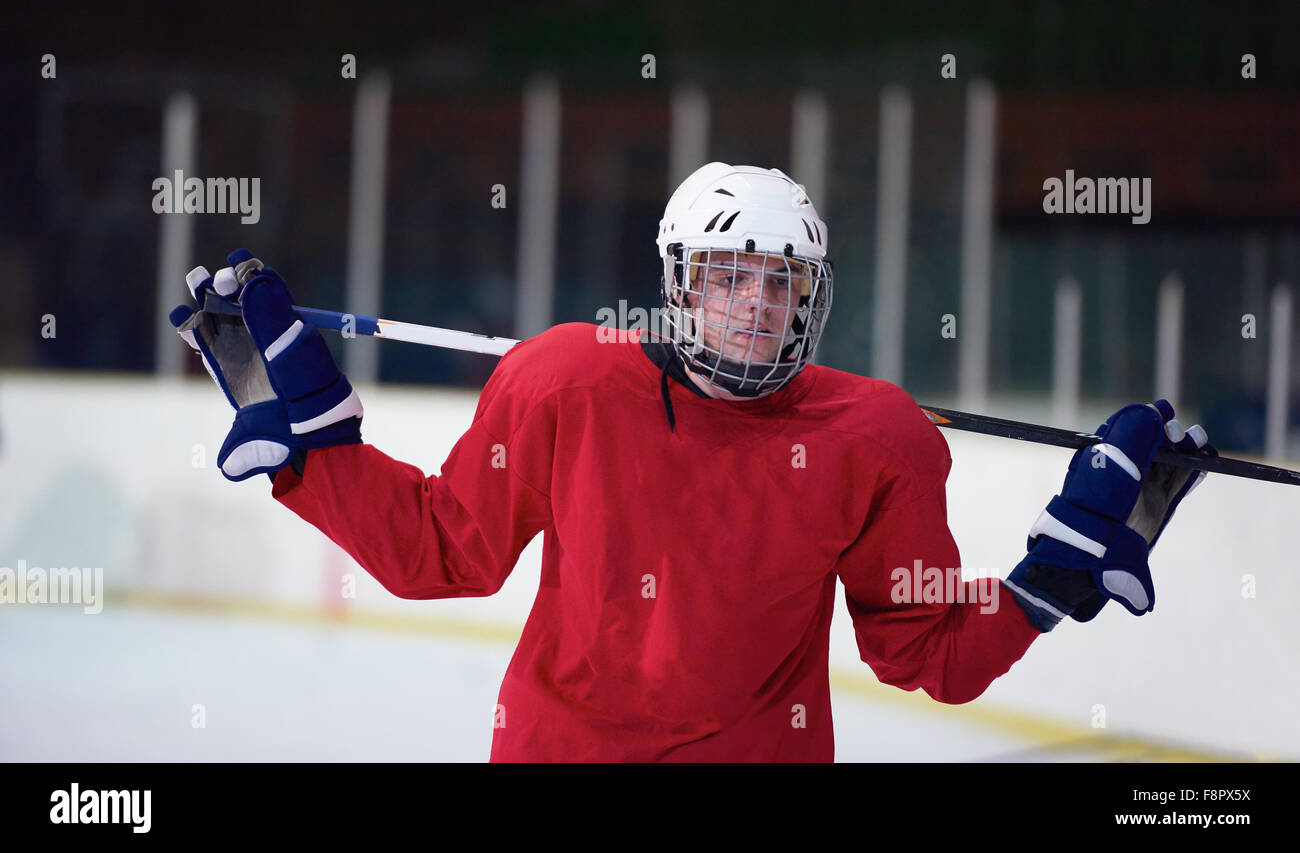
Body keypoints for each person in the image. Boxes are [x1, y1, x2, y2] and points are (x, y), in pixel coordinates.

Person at [170, 162, 1213, 762]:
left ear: (811, 297)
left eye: (781, 282)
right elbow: (445, 551)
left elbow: (923, 653)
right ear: (678, 281)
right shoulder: (567, 381)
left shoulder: (876, 437)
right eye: (729, 275)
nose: (757, 304)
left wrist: (1049, 581)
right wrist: (309, 440)